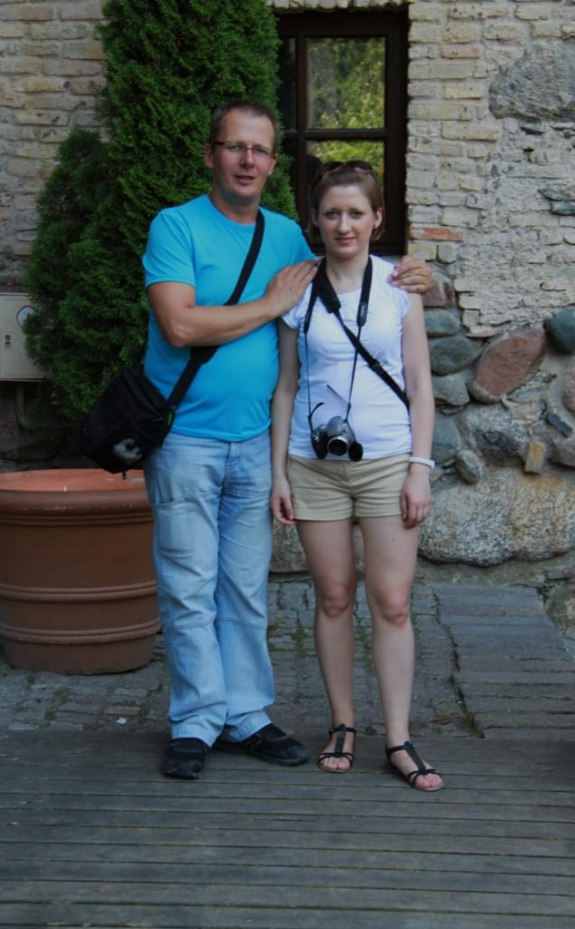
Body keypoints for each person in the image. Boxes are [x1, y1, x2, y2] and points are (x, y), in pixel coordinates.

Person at [142, 100, 433, 780]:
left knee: (246, 586)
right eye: (234, 147)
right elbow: (179, 326)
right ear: (212, 154)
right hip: (187, 435)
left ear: (273, 163)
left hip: (256, 441)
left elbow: (353, 273)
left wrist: (420, 275)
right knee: (189, 585)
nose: (247, 160)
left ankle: (244, 713)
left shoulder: (285, 239)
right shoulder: (176, 226)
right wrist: (272, 304)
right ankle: (195, 719)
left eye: (260, 150)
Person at [271, 160, 443, 791]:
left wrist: (419, 469)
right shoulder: (298, 290)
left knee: (392, 603)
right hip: (313, 467)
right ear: (315, 221)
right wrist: (279, 474)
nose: (344, 225)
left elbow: (421, 386)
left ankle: (398, 738)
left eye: (355, 213)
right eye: (331, 213)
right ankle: (342, 723)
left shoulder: (400, 288)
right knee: (334, 597)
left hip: (389, 464)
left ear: (377, 219)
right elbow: (286, 388)